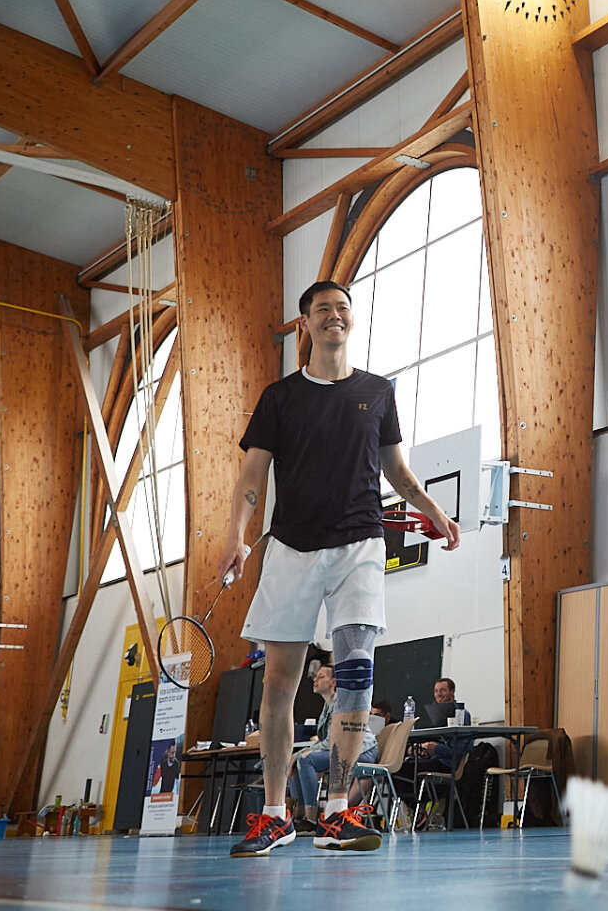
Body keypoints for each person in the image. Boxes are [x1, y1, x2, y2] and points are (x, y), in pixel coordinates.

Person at [218, 279, 460, 857]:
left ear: (352, 320)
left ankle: (336, 810)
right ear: (304, 323)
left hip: (360, 545)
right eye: (323, 308)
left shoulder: (378, 392)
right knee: (280, 682)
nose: (335, 315)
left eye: (343, 308)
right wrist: (236, 536)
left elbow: (396, 470)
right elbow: (252, 475)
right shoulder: (280, 397)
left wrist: (433, 510)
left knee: (355, 673)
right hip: (291, 548)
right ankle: (275, 814)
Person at [288, 661, 380, 833]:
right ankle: (298, 816)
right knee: (294, 761)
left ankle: (310, 818)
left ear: (333, 682)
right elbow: (326, 741)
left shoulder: (340, 704)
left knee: (305, 759)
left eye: (321, 677)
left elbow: (332, 742)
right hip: (344, 749)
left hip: (362, 751)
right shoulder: (327, 705)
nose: (315, 680)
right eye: (316, 677)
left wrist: (301, 753)